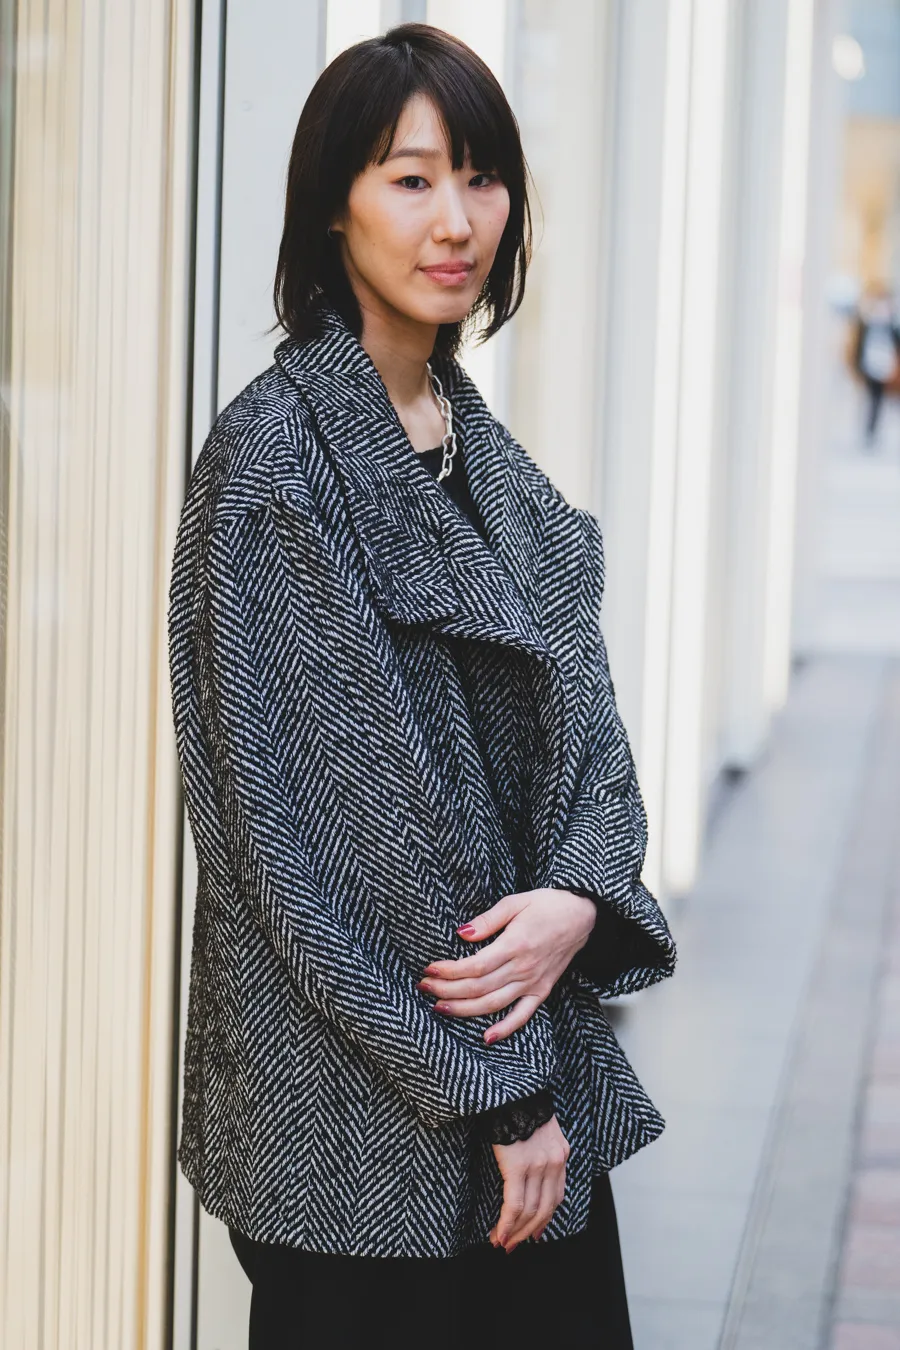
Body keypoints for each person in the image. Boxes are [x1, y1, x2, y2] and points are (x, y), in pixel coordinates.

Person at [167, 23, 676, 1349]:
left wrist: (577, 897)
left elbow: (592, 743)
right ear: (334, 204)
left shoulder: (478, 451)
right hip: (364, 1129)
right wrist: (507, 1094)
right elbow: (339, 848)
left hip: (521, 1088)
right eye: (410, 179)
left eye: (482, 177)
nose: (457, 219)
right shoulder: (278, 464)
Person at [851, 282, 900, 447]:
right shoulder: (868, 324)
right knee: (870, 398)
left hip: (884, 367)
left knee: (877, 400)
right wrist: (859, 366)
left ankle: (872, 430)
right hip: (870, 366)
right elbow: (860, 346)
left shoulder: (891, 326)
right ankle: (868, 429)